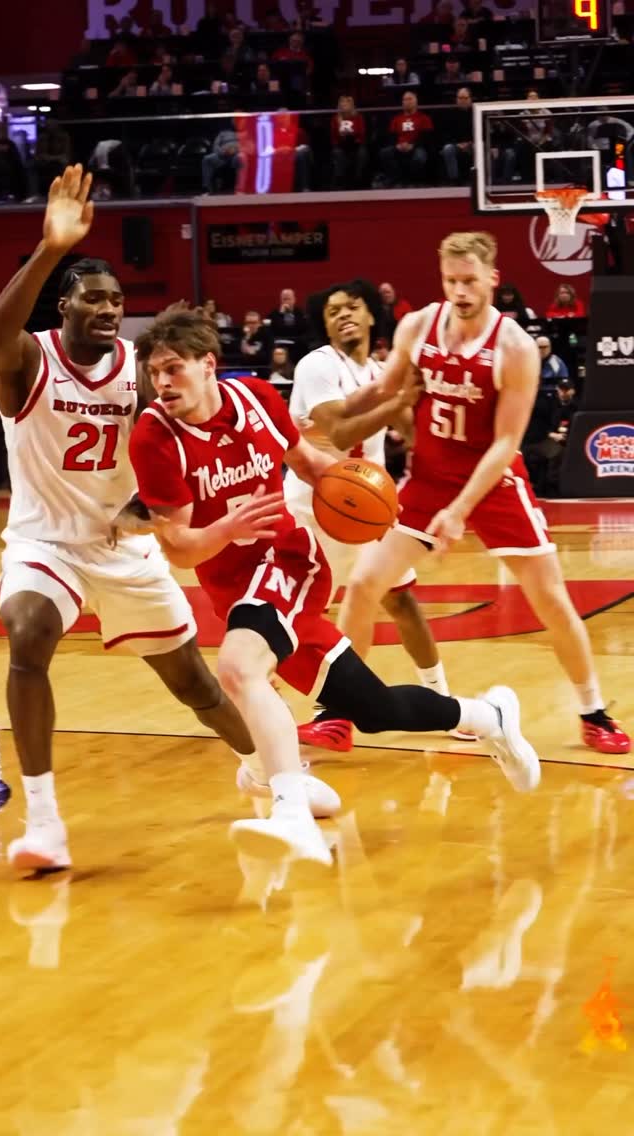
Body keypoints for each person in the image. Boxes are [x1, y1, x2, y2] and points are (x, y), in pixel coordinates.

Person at [129, 304, 541, 865]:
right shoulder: (154, 436)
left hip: (290, 560)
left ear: (208, 364)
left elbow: (306, 462)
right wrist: (227, 527)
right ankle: (488, 718)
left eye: (173, 368)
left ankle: (290, 812)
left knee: (238, 669)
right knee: (371, 708)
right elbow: (178, 547)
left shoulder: (255, 398)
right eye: (154, 373)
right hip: (233, 584)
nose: (163, 382)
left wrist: (372, 502)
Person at [0, 165, 299, 873]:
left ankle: (271, 772)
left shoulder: (139, 368)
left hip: (124, 546)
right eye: (93, 299)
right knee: (29, 631)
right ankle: (45, 824)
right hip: (46, 543)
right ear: (62, 305)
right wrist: (49, 249)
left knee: (195, 683)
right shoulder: (27, 359)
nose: (109, 309)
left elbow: (173, 453)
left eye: (116, 300)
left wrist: (152, 513)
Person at [332, 231, 630, 756]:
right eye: (451, 281)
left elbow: (506, 443)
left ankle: (593, 711)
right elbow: (386, 387)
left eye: (470, 281)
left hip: (493, 482)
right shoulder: (418, 324)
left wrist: (459, 510)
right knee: (362, 585)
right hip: (427, 478)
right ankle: (334, 714)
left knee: (552, 602)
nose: (460, 291)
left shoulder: (513, 347)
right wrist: (328, 416)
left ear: (493, 278)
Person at [283, 278, 458, 752]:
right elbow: (338, 433)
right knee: (294, 614)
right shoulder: (316, 366)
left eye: (352, 307)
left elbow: (414, 432)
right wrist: (398, 400)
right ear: (324, 324)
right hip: (314, 510)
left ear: (368, 316)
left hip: (369, 509)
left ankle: (441, 701)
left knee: (401, 603)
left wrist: (423, 398)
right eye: (332, 310)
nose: (343, 315)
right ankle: (319, 712)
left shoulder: (382, 370)